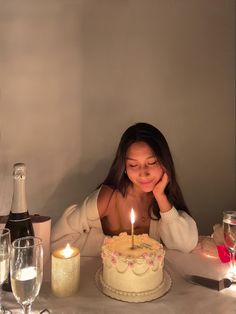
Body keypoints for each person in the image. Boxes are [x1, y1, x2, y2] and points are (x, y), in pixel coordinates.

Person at [51, 122, 198, 256]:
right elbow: (58, 241)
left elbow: (185, 246)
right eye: (133, 165)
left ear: (164, 162)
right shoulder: (107, 198)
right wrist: (113, 246)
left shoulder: (164, 199)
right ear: (125, 168)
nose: (143, 173)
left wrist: (160, 197)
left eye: (152, 162)